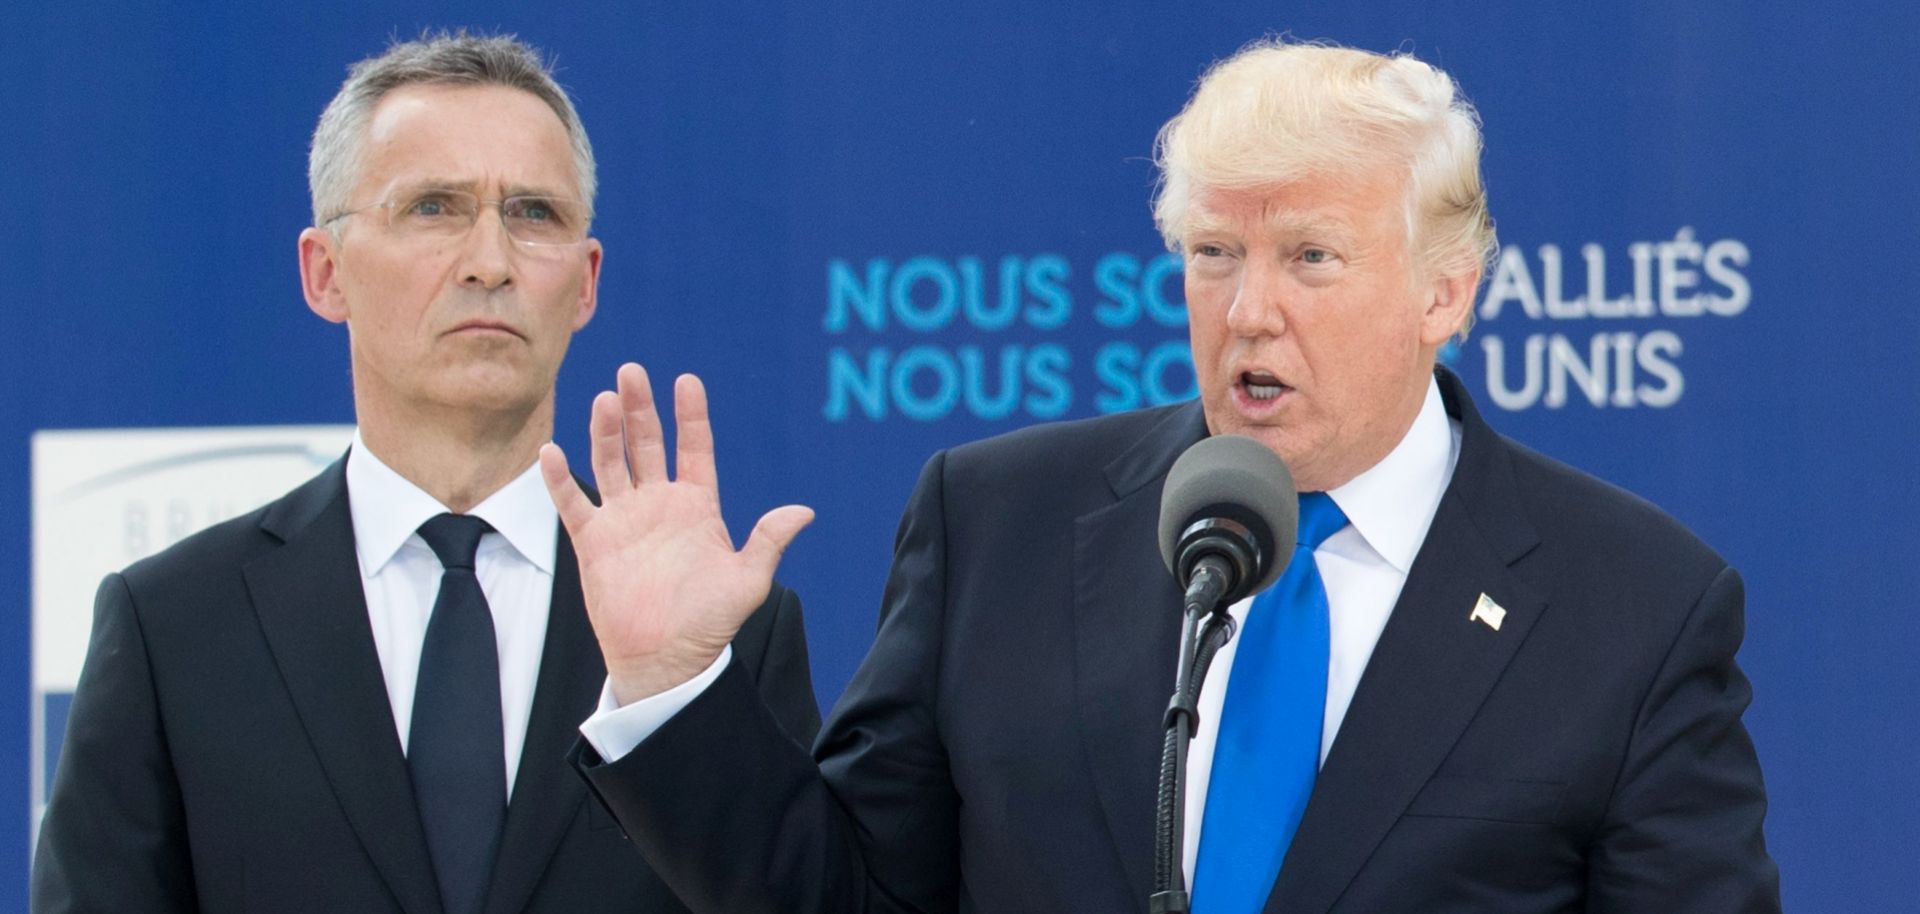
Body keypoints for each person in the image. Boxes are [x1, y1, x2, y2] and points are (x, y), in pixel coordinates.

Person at [544, 38, 1779, 913]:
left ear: (1442, 291)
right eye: (1212, 253)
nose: (1248, 310)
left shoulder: (1632, 605)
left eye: (1309, 256)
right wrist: (669, 684)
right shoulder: (998, 526)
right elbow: (852, 896)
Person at [31, 32, 819, 914]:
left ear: (586, 284)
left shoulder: (723, 632)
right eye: (435, 208)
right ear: (325, 273)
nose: (489, 261)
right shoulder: (172, 628)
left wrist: (672, 692)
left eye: (532, 214)